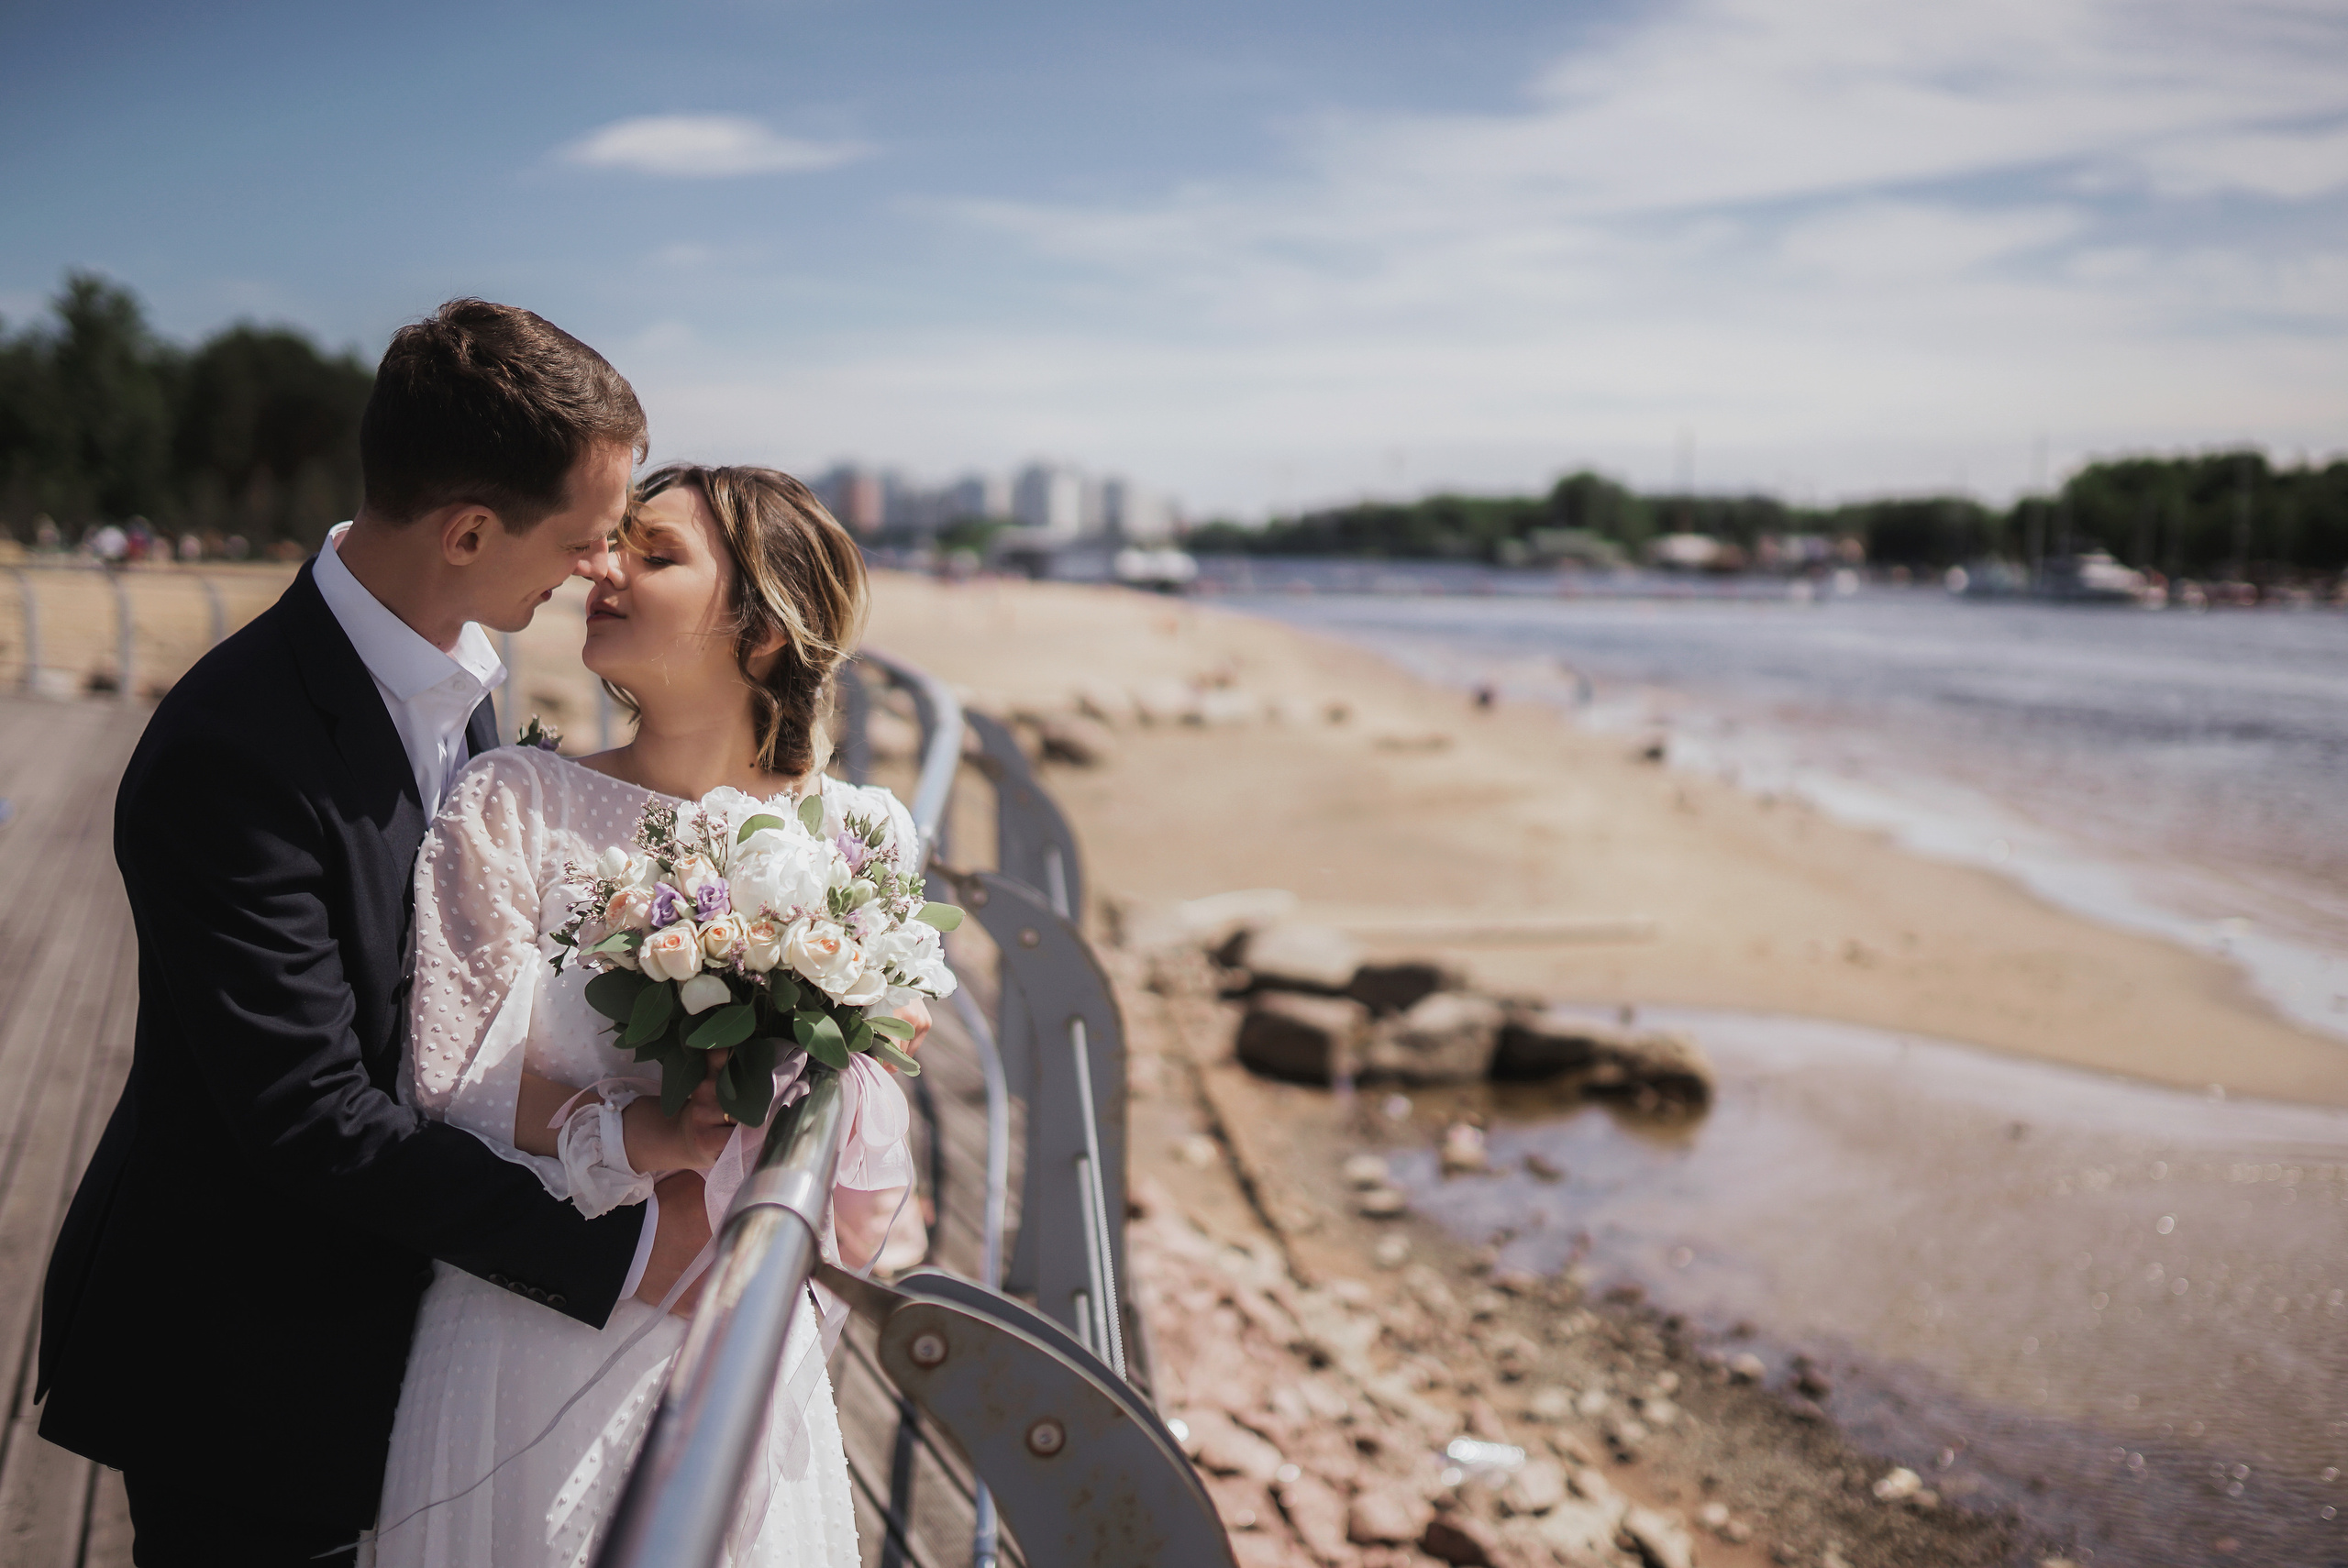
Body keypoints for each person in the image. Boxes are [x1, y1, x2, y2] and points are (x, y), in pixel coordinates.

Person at [36, 300, 715, 1564]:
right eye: (581, 538)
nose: (595, 568)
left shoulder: (460, 676)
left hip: (397, 1324)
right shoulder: (234, 751)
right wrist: (622, 1252)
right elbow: (312, 1112)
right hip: (245, 1363)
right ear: (469, 533)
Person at [368, 464, 925, 1566]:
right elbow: (448, 1075)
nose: (603, 570)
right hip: (529, 1325)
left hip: (742, 1322)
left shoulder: (861, 835)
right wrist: (636, 1134)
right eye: (612, 545)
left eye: (654, 554)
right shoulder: (515, 802)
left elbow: (879, 1057)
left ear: (762, 632)